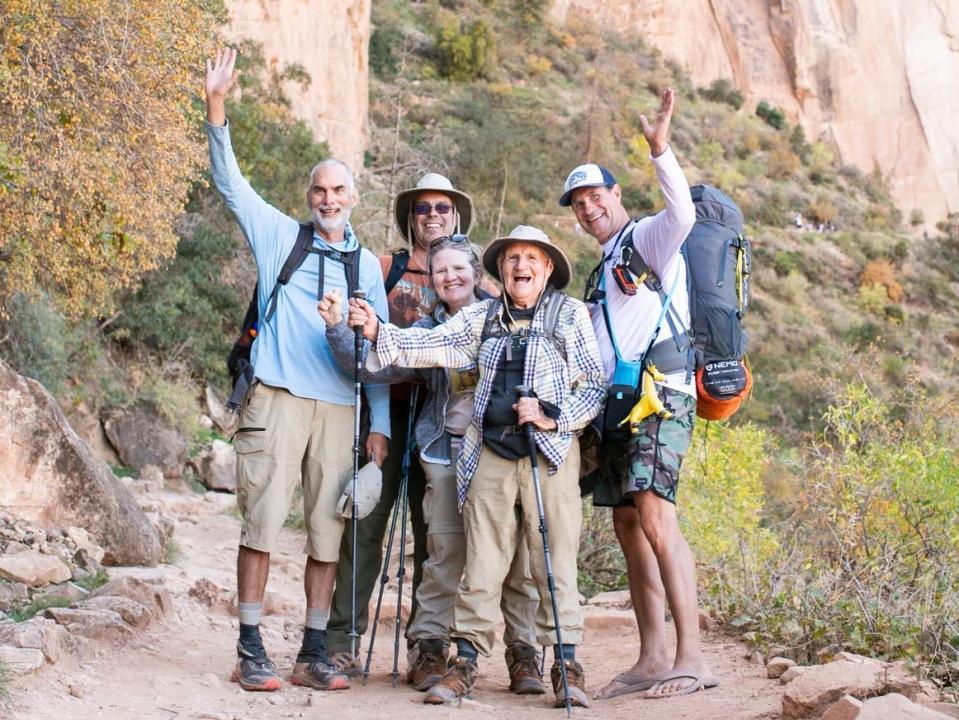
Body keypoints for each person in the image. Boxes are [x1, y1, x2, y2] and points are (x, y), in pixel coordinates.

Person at [345, 226, 607, 708]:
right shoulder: (482, 318)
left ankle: (565, 664)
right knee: (482, 560)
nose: (520, 266)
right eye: (511, 258)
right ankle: (464, 662)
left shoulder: (569, 315)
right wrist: (379, 331)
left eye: (531, 258)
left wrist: (554, 417)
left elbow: (593, 384)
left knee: (551, 560)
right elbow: (434, 345)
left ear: (547, 268)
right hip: (488, 450)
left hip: (550, 455)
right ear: (501, 269)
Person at [204, 47, 390, 693]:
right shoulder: (281, 235)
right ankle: (249, 645)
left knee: (325, 535)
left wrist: (381, 427)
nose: (328, 198)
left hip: (340, 409)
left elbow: (377, 353)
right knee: (260, 524)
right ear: (308, 197)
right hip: (277, 398)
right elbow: (231, 185)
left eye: (338, 190)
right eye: (319, 189)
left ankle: (313, 652)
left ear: (354, 197)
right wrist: (216, 106)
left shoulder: (367, 266)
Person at [319, 235, 545, 694]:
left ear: (477, 274)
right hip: (444, 450)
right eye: (440, 271)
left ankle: (524, 655)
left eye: (459, 269)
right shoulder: (426, 329)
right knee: (443, 554)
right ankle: (429, 649)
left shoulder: (508, 318)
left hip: (502, 452)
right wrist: (340, 330)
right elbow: (371, 367)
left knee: (517, 557)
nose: (450, 277)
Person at [558, 87, 718, 699]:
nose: (588, 207)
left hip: (662, 397)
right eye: (578, 202)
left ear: (615, 195)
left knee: (654, 514)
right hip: (622, 409)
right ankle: (652, 655)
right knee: (628, 521)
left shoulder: (650, 237)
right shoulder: (605, 264)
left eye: (596, 195)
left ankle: (693, 658)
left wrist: (660, 150)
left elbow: (684, 215)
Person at [325, 173, 482, 672]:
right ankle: (341, 641)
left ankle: (426, 647)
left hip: (443, 421)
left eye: (442, 206)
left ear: (456, 215)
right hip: (387, 409)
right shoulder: (383, 266)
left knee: (435, 534)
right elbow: (363, 342)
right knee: (366, 524)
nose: (432, 214)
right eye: (422, 208)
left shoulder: (475, 281)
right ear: (409, 216)